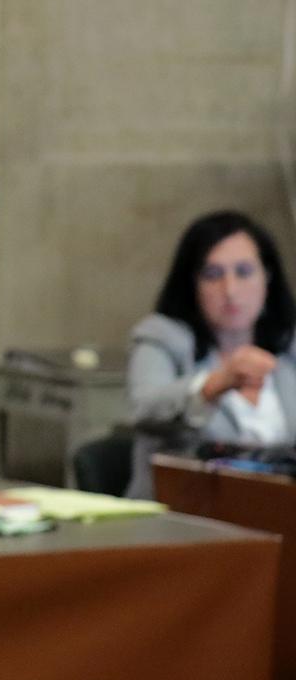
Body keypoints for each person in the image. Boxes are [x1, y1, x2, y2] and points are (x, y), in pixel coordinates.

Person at [125, 210, 296, 499]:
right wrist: (215, 384)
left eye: (244, 272)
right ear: (193, 284)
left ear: (267, 277)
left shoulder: (289, 344)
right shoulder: (162, 338)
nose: (230, 290)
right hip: (185, 517)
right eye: (213, 275)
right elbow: (143, 409)